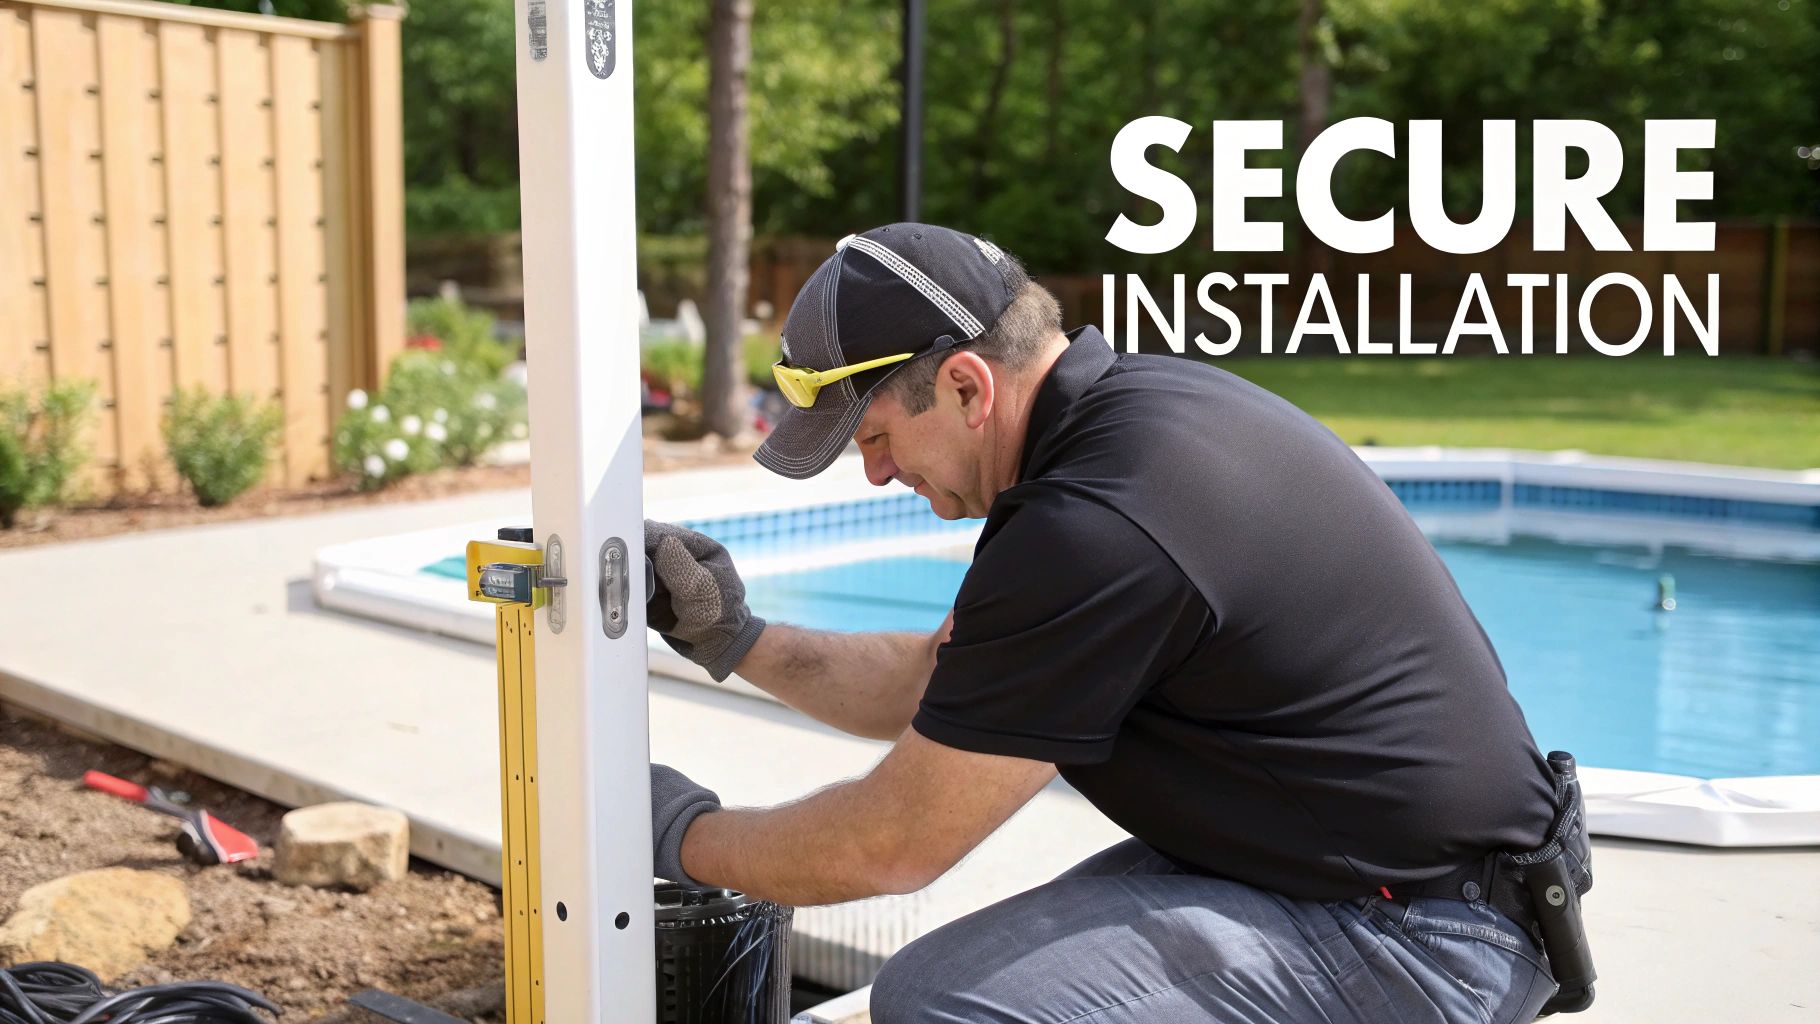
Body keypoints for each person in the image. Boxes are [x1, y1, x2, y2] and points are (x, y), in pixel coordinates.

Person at [645, 223, 1567, 1023]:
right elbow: (934, 682)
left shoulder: (1098, 520)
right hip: (1368, 881)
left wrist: (672, 833)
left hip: (1426, 938)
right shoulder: (1116, 432)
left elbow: (889, 845)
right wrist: (737, 637)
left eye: (876, 438)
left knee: (946, 1004)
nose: (875, 475)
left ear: (968, 388)